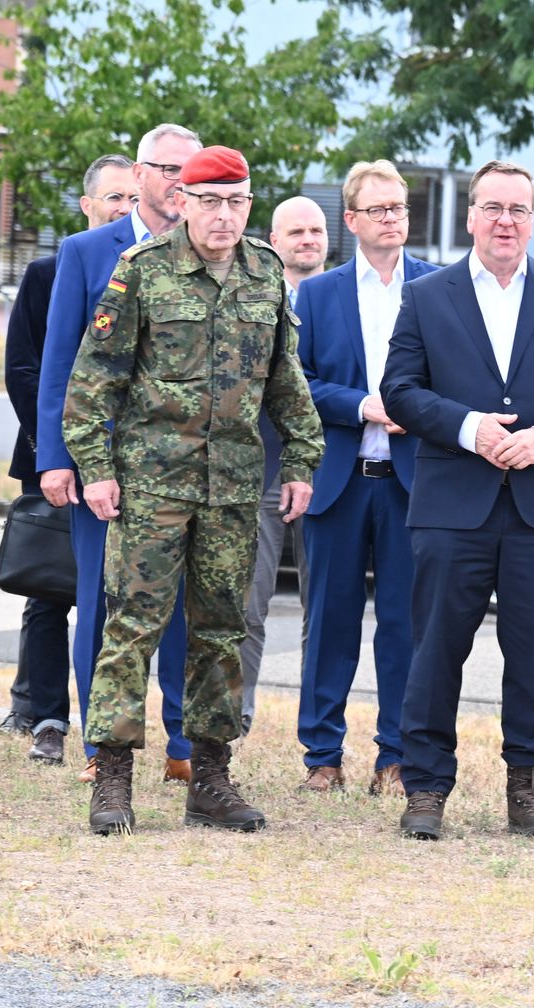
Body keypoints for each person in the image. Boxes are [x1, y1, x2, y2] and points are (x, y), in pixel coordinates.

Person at [63, 145, 324, 835]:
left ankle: (210, 778)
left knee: (221, 633)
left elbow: (286, 380)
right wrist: (96, 468)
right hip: (152, 487)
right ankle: (111, 776)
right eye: (209, 201)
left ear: (248, 206)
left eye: (236, 202)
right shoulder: (143, 270)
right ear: (182, 202)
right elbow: (94, 382)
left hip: (233, 489)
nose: (223, 215)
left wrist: (302, 460)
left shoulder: (265, 272)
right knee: (132, 627)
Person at [380, 159, 534, 841]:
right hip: (453, 506)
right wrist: (470, 428)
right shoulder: (428, 295)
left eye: (518, 210)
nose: (505, 221)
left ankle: (528, 787)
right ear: (470, 216)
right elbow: (399, 389)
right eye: (492, 207)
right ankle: (426, 789)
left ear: (533, 220)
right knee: (434, 651)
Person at [35, 122, 201, 784]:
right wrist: (57, 456)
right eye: (168, 169)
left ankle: (183, 746)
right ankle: (102, 747)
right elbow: (60, 362)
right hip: (103, 465)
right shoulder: (84, 252)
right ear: (138, 175)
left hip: (185, 467)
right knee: (101, 608)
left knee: (184, 610)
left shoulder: (207, 248)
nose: (180, 183)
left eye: (190, 172)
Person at [293, 161, 437, 796]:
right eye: (378, 210)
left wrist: (417, 409)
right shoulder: (317, 295)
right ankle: (322, 755)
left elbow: (455, 377)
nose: (391, 219)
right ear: (350, 219)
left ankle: (396, 756)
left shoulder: (438, 286)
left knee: (406, 625)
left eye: (399, 208)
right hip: (339, 481)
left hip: (412, 484)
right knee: (330, 621)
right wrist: (362, 406)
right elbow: (296, 383)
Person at [0, 153, 139, 766]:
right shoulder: (48, 271)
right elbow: (27, 368)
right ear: (87, 205)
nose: (124, 208)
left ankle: (109, 722)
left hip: (128, 463)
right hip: (55, 456)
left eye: (131, 198)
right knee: (51, 589)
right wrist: (61, 449)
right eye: (113, 198)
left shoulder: (157, 269)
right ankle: (46, 715)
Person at [239, 195, 330, 733]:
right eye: (296, 232)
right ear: (274, 242)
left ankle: (316, 727)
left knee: (323, 610)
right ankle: (238, 716)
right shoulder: (253, 295)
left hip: (326, 471)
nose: (307, 240)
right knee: (249, 603)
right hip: (262, 469)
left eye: (316, 230)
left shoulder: (342, 300)